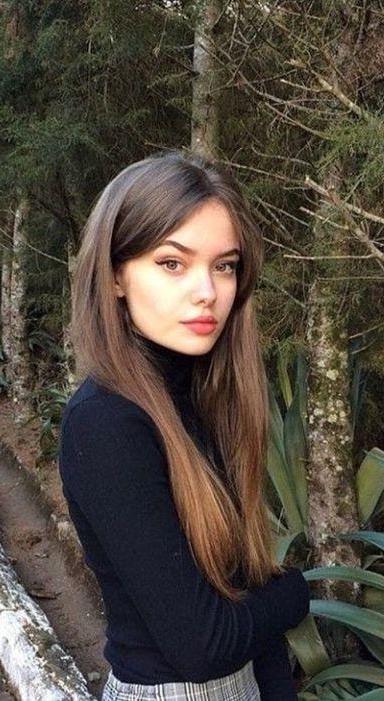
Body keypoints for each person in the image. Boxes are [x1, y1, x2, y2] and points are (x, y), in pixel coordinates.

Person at [57, 149, 310, 701]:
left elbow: (243, 594)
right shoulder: (106, 422)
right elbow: (203, 643)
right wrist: (295, 594)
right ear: (116, 274)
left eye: (225, 265)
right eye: (172, 263)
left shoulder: (201, 398)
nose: (207, 292)